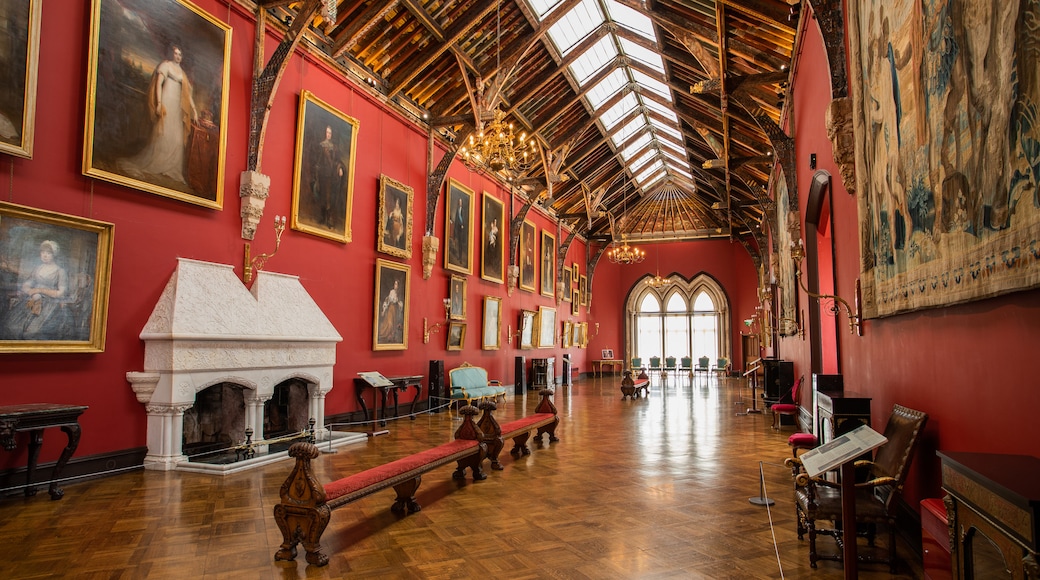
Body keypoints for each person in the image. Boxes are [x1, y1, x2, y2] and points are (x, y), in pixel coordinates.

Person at [120, 44, 198, 185]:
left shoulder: (182, 73)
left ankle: (172, 168)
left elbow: (188, 95)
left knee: (176, 138)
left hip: (177, 107)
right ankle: (157, 162)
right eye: (176, 53)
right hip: (167, 100)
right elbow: (158, 85)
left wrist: (194, 110)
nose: (178, 57)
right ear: (171, 54)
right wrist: (160, 103)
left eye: (180, 54)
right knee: (163, 133)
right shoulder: (165, 66)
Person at [3, 240, 71, 340]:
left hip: (49, 305)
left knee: (33, 332)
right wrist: (30, 291)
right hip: (32, 301)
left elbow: (61, 293)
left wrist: (39, 290)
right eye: (43, 252)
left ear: (54, 255)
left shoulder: (60, 271)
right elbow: (27, 284)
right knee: (12, 326)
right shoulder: (38, 268)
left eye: (48, 253)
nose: (45, 255)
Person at [310, 125, 347, 229]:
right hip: (323, 175)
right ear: (324, 133)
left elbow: (337, 161)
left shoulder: (334, 148)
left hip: (331, 176)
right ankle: (323, 217)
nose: (328, 134)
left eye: (330, 133)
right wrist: (316, 172)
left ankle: (329, 218)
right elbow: (318, 161)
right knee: (323, 196)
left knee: (330, 198)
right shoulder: (321, 146)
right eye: (327, 132)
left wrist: (340, 168)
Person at [377, 279, 402, 344]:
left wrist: (399, 304)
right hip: (390, 309)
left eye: (396, 284)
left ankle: (391, 336)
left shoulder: (398, 293)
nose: (395, 285)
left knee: (393, 324)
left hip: (395, 310)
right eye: (394, 284)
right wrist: (383, 310)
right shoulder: (392, 292)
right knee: (389, 323)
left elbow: (399, 303)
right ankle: (384, 335)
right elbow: (387, 301)